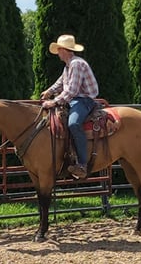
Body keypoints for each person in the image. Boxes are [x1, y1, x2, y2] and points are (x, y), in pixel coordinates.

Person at [40, 34, 99, 179]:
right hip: (74, 100)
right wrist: (49, 91)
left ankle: (82, 164)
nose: (58, 53)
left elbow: (72, 90)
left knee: (74, 124)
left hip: (83, 100)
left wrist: (54, 101)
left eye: (59, 50)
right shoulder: (69, 66)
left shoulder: (76, 64)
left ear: (64, 50)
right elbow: (61, 82)